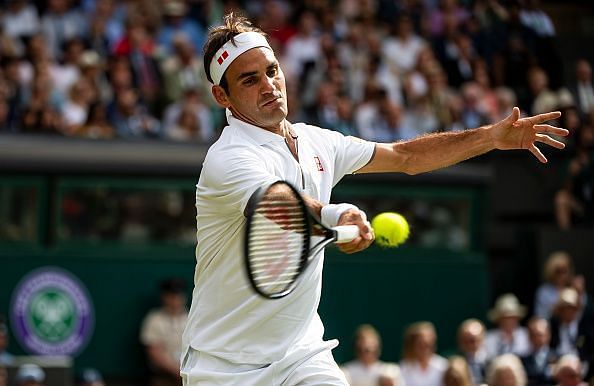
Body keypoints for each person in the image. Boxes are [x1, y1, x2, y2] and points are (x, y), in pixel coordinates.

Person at [180, 13, 567, 386]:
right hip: (224, 368)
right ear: (221, 96)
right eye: (249, 80)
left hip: (300, 354)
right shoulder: (227, 158)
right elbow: (277, 205)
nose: (269, 85)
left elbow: (406, 157)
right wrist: (335, 216)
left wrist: (491, 137)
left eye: (272, 70)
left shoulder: (318, 142)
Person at [140, 278, 188, 386]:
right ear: (164, 297)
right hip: (164, 376)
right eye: (171, 296)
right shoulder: (154, 319)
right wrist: (178, 371)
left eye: (178, 295)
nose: (175, 299)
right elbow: (154, 352)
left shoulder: (191, 318)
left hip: (190, 374)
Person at [340, 324, 404, 386]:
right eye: (363, 344)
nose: (367, 346)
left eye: (371, 344)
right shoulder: (346, 372)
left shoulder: (389, 371)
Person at [399, 322, 448, 386]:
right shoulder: (404, 367)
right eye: (420, 345)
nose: (425, 349)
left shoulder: (443, 366)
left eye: (427, 344)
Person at [485, 293, 531, 359]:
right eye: (505, 318)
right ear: (499, 319)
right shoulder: (489, 338)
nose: (509, 321)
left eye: (512, 317)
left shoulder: (526, 336)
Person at [521, 318, 556, 386]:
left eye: (540, 335)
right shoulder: (522, 360)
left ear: (548, 335)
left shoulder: (558, 357)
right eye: (534, 335)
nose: (538, 338)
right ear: (529, 337)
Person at [457, 318, 489, 385]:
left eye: (473, 340)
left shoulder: (492, 361)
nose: (470, 345)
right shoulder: (455, 362)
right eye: (465, 340)